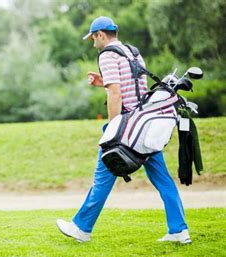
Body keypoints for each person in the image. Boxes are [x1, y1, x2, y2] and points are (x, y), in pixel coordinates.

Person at [56, 16, 191, 244]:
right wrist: (104, 82)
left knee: (102, 177)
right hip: (143, 127)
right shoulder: (133, 52)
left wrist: (113, 129)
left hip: (125, 128)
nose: (92, 43)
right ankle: (179, 230)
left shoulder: (107, 55)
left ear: (100, 34)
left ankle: (81, 228)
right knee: (162, 179)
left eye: (92, 38)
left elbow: (116, 94)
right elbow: (135, 87)